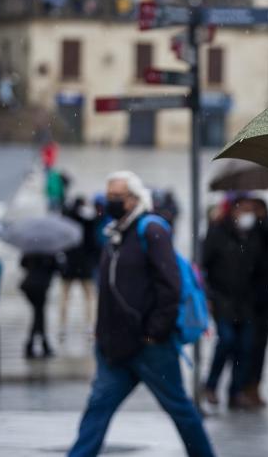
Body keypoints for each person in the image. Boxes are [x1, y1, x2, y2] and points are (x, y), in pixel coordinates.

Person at [69, 171, 214, 457]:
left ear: (135, 199)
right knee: (98, 408)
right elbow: (108, 289)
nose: (109, 202)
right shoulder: (114, 234)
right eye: (108, 195)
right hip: (115, 345)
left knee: (180, 409)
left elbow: (170, 287)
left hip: (151, 347)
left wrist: (155, 332)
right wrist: (101, 330)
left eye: (117, 197)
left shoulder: (151, 230)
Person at [202, 195, 263, 410]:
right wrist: (208, 295)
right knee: (226, 340)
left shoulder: (253, 234)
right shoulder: (217, 232)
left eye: (250, 209)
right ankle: (210, 385)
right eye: (243, 208)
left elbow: (261, 266)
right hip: (222, 299)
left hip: (245, 301)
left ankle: (235, 392)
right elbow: (203, 265)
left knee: (245, 347)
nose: (247, 214)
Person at [245, 198, 268, 407]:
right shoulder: (252, 233)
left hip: (267, 296)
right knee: (249, 344)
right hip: (250, 297)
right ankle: (245, 386)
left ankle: (253, 386)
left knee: (259, 344)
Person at [60, 196, 98, 340]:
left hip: (69, 264)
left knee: (64, 297)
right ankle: (90, 325)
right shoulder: (89, 220)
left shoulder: (67, 219)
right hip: (85, 264)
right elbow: (94, 243)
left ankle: (62, 325)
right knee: (90, 297)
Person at [20, 253, 59, 358]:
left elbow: (22, 264)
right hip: (40, 287)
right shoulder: (50, 252)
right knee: (39, 316)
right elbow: (57, 268)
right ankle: (38, 345)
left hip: (29, 286)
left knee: (38, 316)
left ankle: (37, 345)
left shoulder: (30, 250)